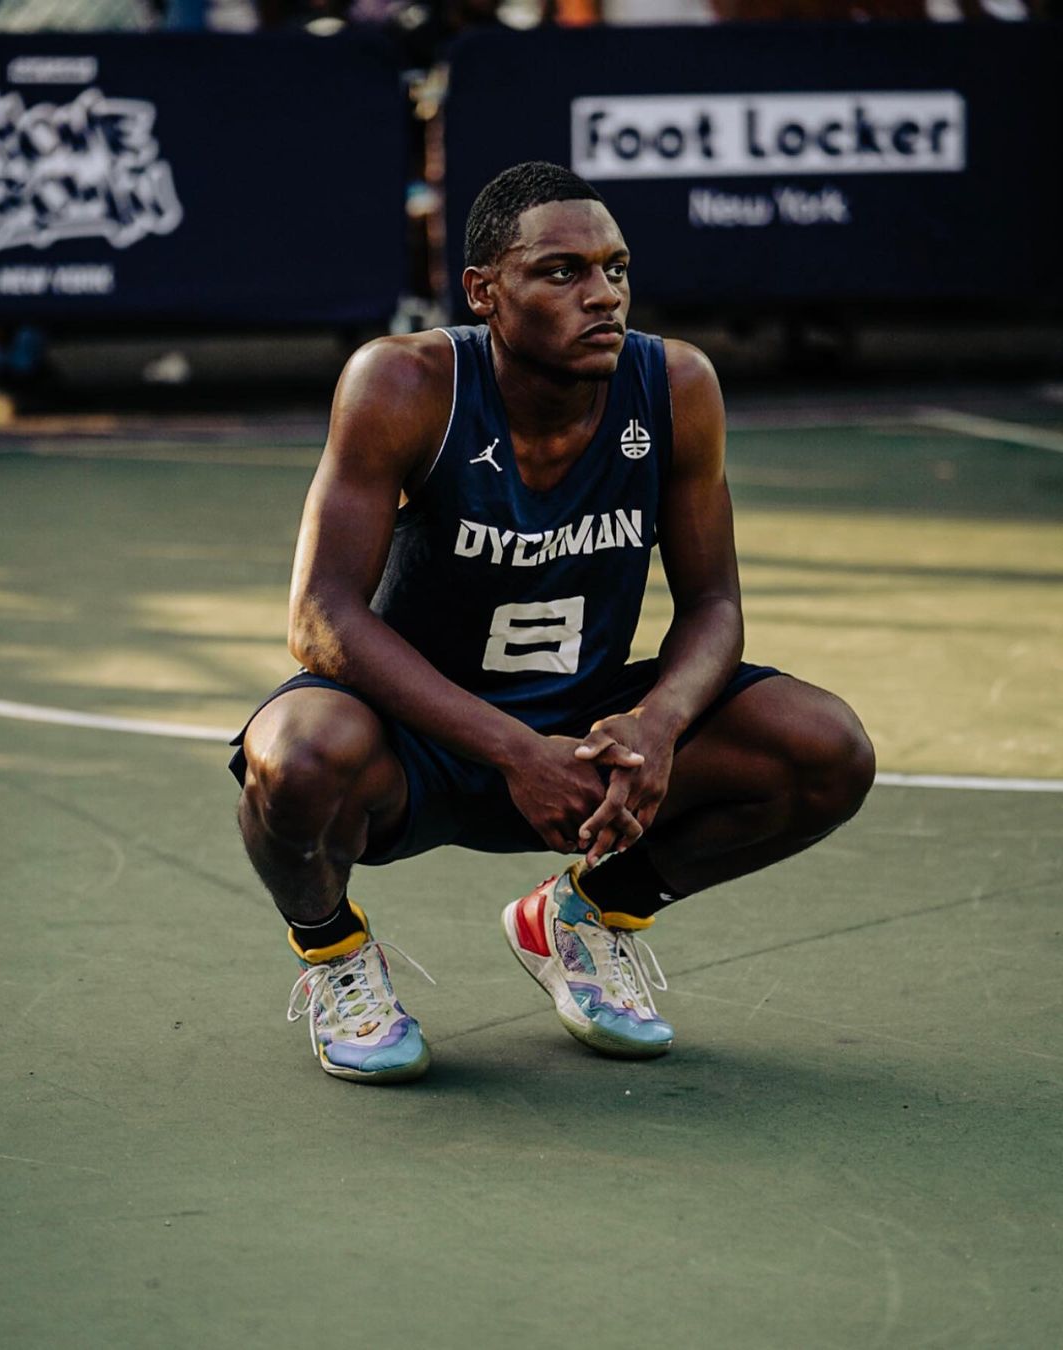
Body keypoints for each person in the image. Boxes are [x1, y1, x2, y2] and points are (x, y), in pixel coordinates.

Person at [229, 160, 875, 1084]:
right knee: (294, 758)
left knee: (824, 748)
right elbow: (320, 617)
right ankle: (334, 954)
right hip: (417, 736)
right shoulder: (405, 382)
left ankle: (584, 915)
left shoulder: (676, 384)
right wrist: (514, 752)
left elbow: (714, 605)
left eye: (616, 269)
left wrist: (656, 724)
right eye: (563, 272)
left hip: (587, 736)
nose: (602, 295)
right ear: (484, 292)